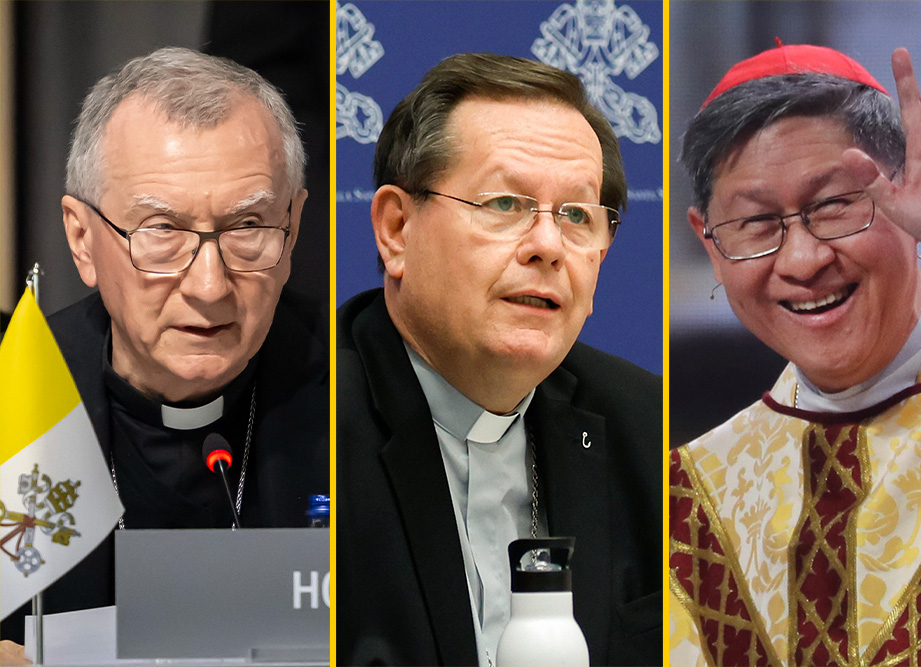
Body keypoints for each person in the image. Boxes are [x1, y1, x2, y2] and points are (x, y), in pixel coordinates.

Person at [670, 24, 921, 666]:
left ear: (909, 199)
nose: (802, 259)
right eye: (756, 222)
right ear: (709, 243)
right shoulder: (689, 494)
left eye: (835, 205)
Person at [0, 47, 329, 660]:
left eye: (248, 228)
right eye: (162, 231)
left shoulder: (360, 391)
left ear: (295, 227)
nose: (209, 286)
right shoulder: (10, 399)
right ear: (81, 238)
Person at [337, 53, 662, 666]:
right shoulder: (298, 422)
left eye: (575, 216)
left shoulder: (653, 431)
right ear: (397, 229)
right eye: (506, 205)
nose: (547, 246)